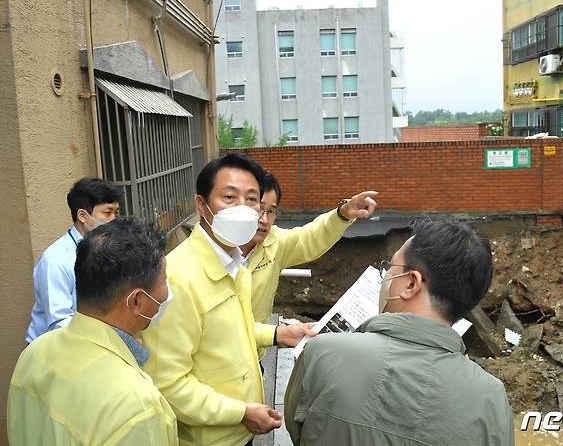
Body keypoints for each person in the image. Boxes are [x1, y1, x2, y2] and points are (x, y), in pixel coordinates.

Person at [145, 152, 359, 446]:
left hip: (238, 429)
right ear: (201, 206)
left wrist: (277, 333)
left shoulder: (233, 265)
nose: (245, 211)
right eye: (229, 198)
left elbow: (233, 331)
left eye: (251, 199)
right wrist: (241, 412)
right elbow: (168, 383)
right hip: (207, 438)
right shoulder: (177, 279)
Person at [285, 220, 515, 446]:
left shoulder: (323, 352)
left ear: (410, 284)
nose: (385, 276)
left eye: (390, 268)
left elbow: (297, 430)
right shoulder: (490, 397)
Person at [8, 217, 178, 445]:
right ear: (137, 300)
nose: (167, 292)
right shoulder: (137, 405)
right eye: (164, 281)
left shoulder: (34, 352)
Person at [240, 172, 377, 346]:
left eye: (271, 211)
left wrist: (343, 214)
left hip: (253, 357)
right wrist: (277, 334)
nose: (264, 219)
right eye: (259, 210)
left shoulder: (274, 243)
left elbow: (311, 238)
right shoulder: (211, 253)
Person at [26, 177, 122, 342]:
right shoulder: (55, 260)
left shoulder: (107, 248)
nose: (114, 219)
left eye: (116, 213)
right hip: (54, 351)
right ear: (82, 216)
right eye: (107, 213)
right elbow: (59, 322)